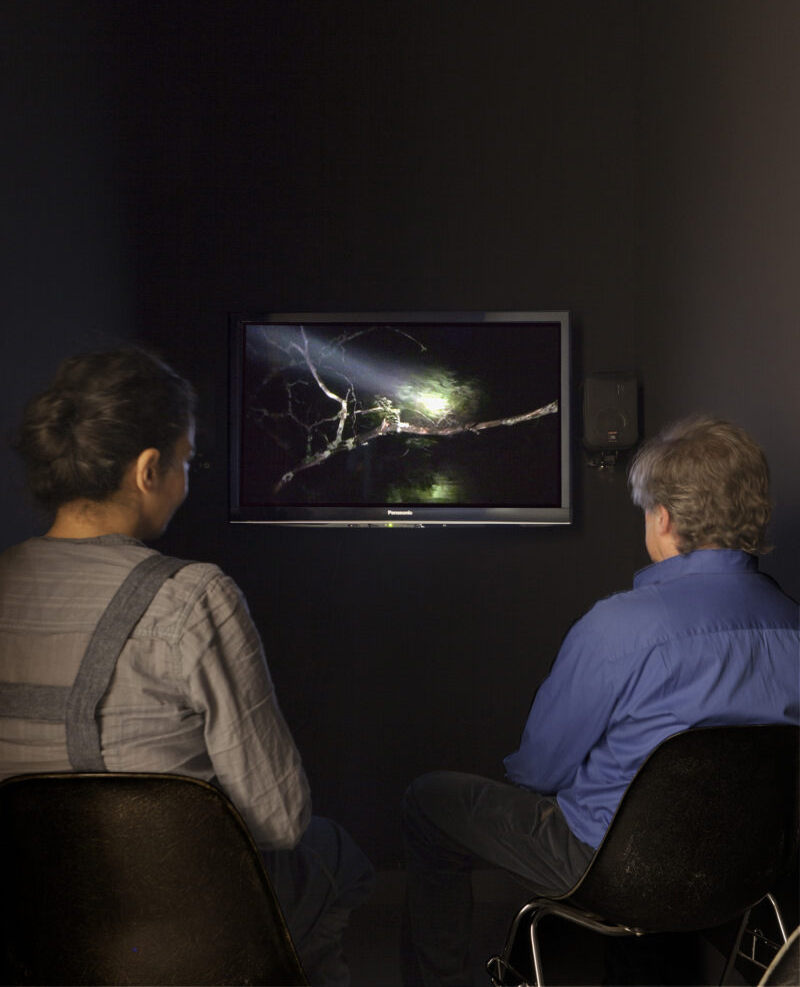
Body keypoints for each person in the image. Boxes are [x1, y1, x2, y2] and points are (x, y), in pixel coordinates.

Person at [0, 346, 374, 986]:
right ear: (149, 469)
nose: (184, 480)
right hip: (182, 931)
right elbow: (279, 819)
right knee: (336, 852)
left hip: (28, 928)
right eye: (186, 462)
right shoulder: (192, 596)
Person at [400, 416, 800, 987]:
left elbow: (539, 770)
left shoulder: (619, 626)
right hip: (743, 876)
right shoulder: (794, 629)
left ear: (662, 518)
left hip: (610, 871)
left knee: (426, 801)